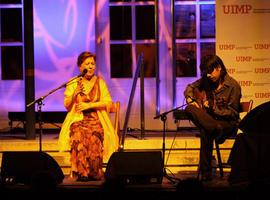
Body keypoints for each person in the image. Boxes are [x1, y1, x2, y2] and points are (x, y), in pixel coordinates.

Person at [58, 51, 119, 181]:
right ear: (80, 67)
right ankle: (80, 172)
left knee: (94, 134)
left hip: (96, 118)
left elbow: (108, 102)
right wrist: (74, 94)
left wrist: (89, 105)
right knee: (78, 133)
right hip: (78, 118)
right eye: (87, 64)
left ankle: (94, 171)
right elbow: (67, 105)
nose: (91, 66)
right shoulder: (74, 82)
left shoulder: (100, 82)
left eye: (93, 63)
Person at [183, 55, 242, 181]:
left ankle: (206, 173)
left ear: (219, 68)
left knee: (206, 130)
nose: (208, 76)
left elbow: (233, 113)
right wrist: (190, 99)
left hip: (227, 124)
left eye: (210, 72)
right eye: (205, 73)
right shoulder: (206, 81)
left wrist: (212, 107)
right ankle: (214, 128)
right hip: (214, 123)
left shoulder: (233, 86)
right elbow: (190, 87)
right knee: (188, 108)